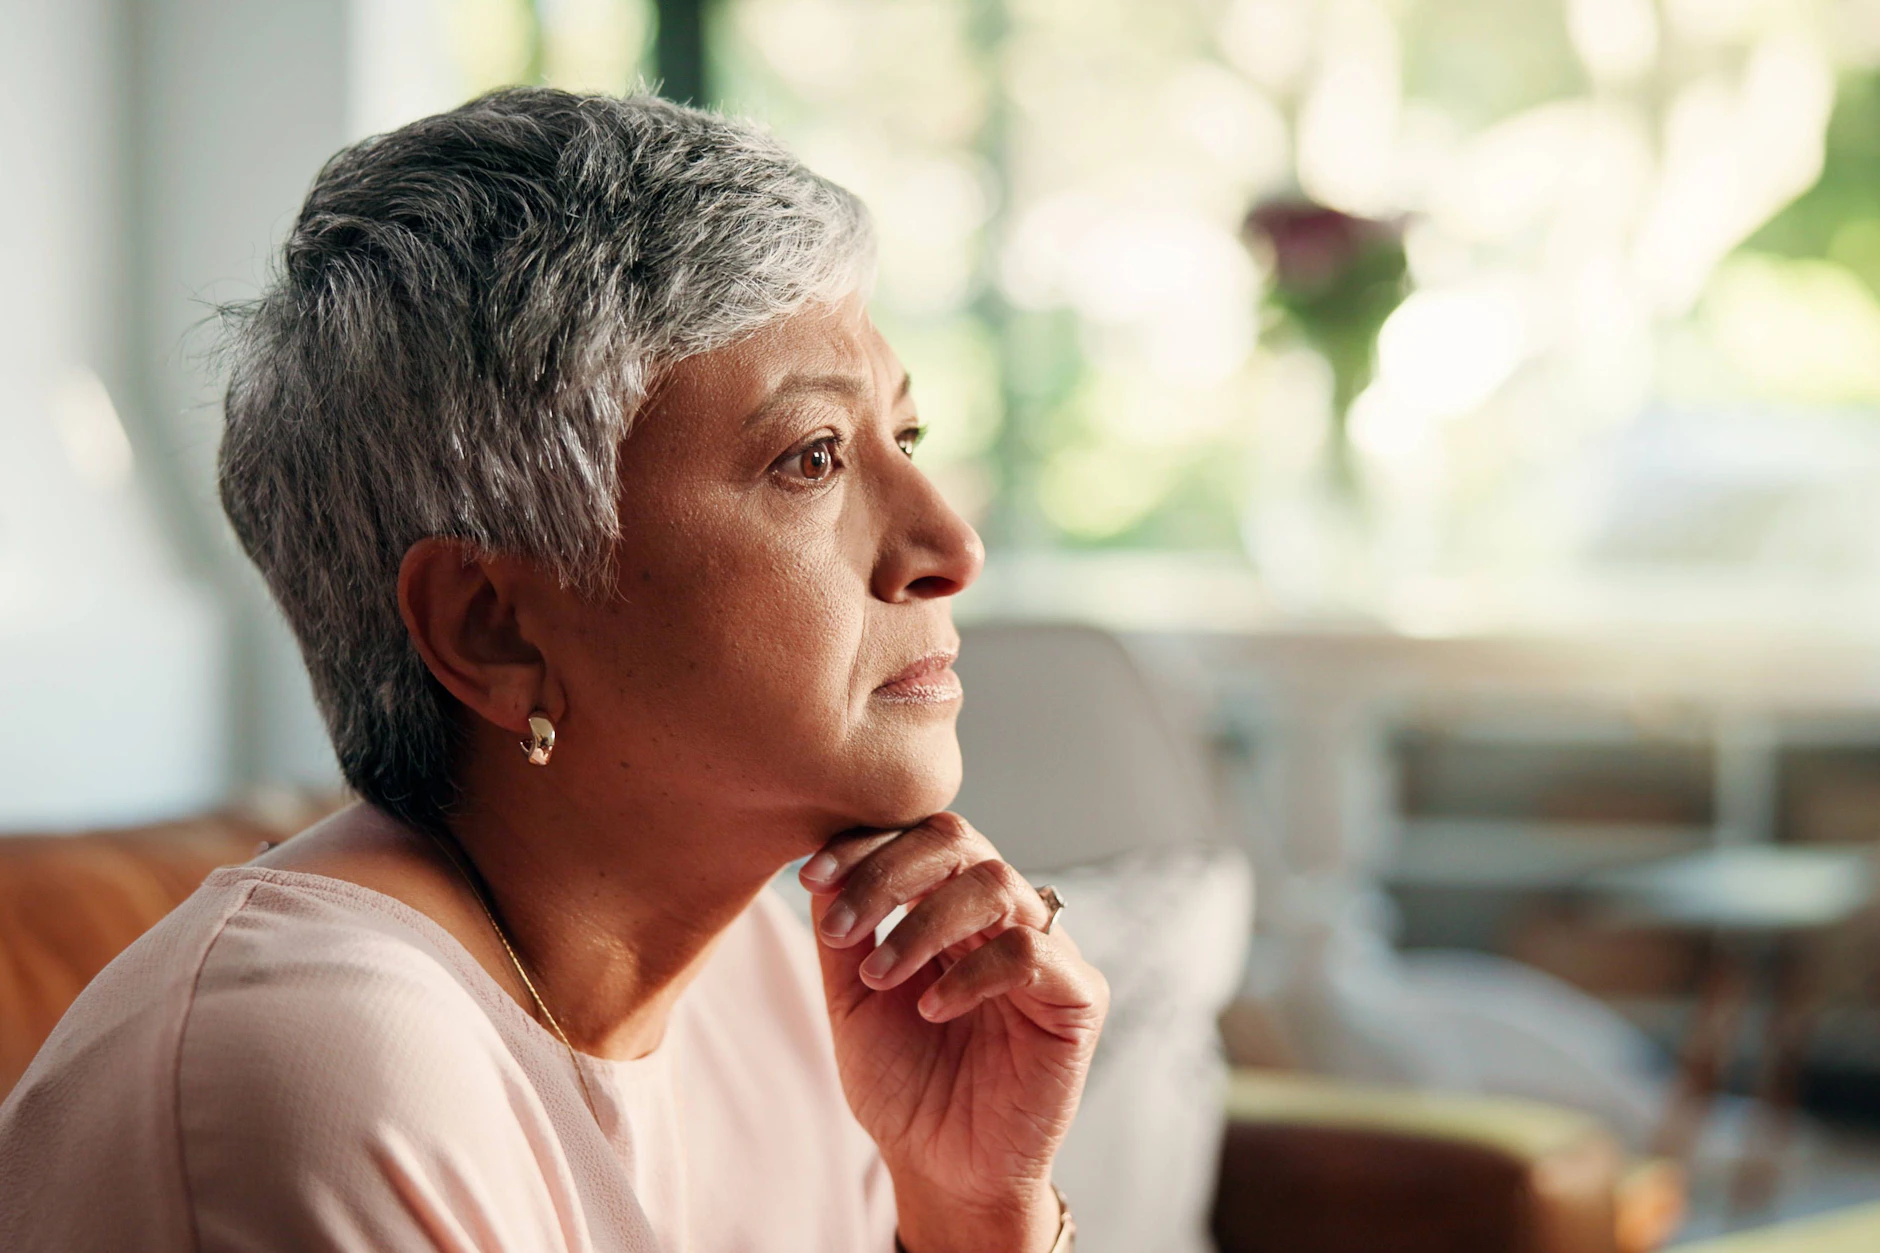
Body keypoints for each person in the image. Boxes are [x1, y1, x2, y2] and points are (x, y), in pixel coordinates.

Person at [0, 88, 1106, 1252]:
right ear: (495, 630)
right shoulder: (314, 1068)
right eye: (812, 457)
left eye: (906, 440)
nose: (950, 548)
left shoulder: (771, 982)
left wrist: (976, 1210)